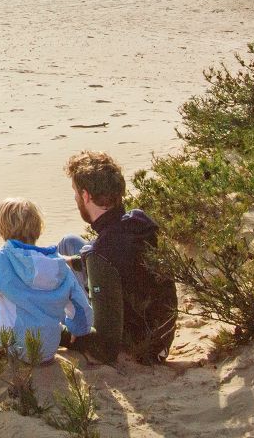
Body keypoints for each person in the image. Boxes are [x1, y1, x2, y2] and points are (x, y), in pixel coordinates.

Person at [57, 151, 177, 364]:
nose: (76, 199)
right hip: (160, 334)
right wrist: (75, 261)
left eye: (76, 193)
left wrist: (64, 336)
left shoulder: (101, 254)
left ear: (86, 196)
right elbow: (126, 261)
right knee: (70, 243)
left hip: (140, 346)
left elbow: (106, 345)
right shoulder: (139, 222)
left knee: (52, 307)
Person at [0, 198, 94, 363]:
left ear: (2, 230)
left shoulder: (3, 260)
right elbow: (81, 308)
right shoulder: (59, 265)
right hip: (48, 349)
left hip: (15, 346)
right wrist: (78, 329)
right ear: (38, 229)